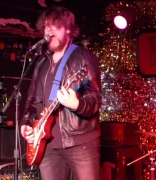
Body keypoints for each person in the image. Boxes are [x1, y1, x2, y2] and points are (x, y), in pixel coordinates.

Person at [20, 5, 102, 180]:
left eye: (55, 26)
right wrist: (26, 123)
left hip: (80, 142)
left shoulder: (83, 58)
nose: (49, 30)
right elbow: (31, 100)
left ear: (68, 29)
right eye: (46, 26)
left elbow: (95, 99)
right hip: (47, 145)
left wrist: (77, 104)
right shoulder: (41, 63)